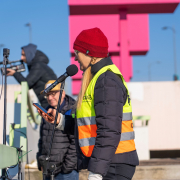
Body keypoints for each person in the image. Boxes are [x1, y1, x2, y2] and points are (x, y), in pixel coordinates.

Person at [42, 27, 139, 180]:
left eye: (77, 53)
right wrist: (60, 120)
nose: (75, 59)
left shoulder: (106, 80)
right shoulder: (98, 79)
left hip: (114, 164)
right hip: (109, 163)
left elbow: (109, 131)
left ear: (89, 53)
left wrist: (96, 172)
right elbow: (88, 126)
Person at [37, 80, 78, 180]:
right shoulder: (46, 111)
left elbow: (76, 141)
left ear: (63, 93)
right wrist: (40, 161)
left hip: (66, 173)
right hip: (48, 170)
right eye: (47, 95)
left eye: (53, 94)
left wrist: (67, 167)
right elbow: (42, 138)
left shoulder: (74, 109)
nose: (50, 98)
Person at [7, 43, 57, 108]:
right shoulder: (38, 65)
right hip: (48, 102)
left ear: (29, 54)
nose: (21, 58)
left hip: (50, 102)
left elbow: (27, 84)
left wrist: (15, 73)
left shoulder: (38, 65)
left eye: (23, 55)